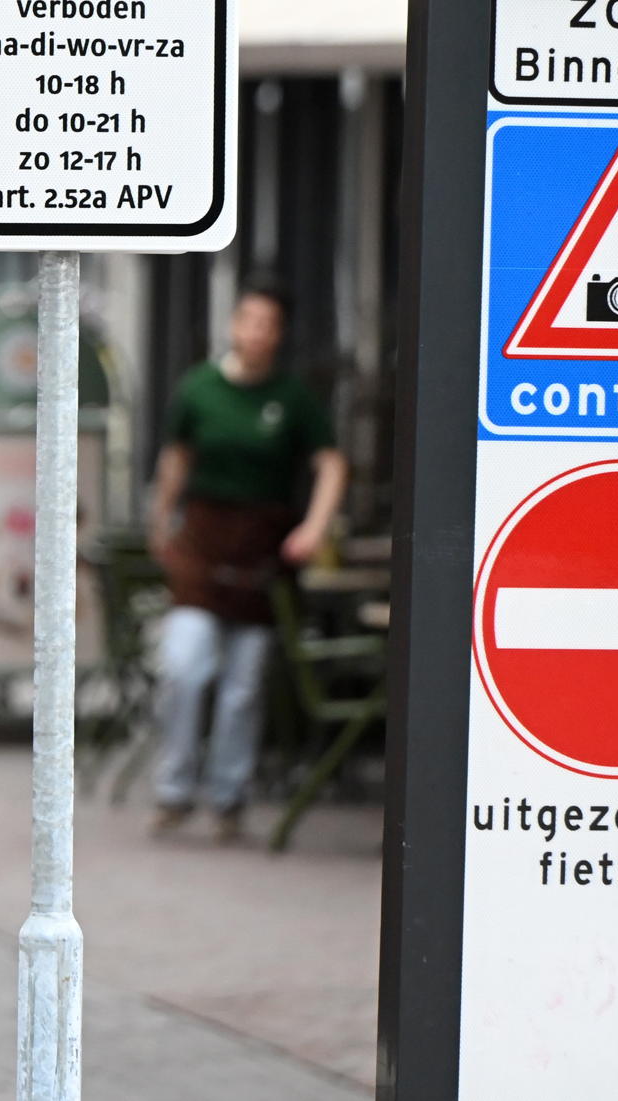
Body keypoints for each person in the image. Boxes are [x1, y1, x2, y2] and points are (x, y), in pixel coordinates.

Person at [147, 284, 348, 842]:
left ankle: (228, 797)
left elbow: (332, 464)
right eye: (250, 321)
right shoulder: (200, 388)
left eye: (269, 324)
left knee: (243, 687)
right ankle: (173, 789)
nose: (257, 333)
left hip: (262, 554)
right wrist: (161, 520)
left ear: (279, 334)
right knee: (185, 667)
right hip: (203, 546)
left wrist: (314, 527)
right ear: (233, 325)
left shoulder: (294, 398)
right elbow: (176, 457)